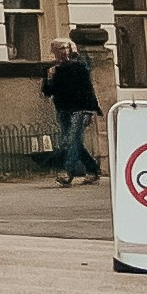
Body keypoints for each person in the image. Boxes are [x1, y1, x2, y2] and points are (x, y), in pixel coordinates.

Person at [44, 25, 105, 185]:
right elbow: (48, 92)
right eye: (60, 48)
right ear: (54, 51)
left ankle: (67, 172)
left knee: (72, 139)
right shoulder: (53, 69)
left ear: (71, 49)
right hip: (63, 109)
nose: (63, 51)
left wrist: (92, 109)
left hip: (81, 109)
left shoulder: (79, 65)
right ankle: (92, 169)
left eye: (66, 48)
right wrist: (49, 78)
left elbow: (87, 87)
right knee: (72, 141)